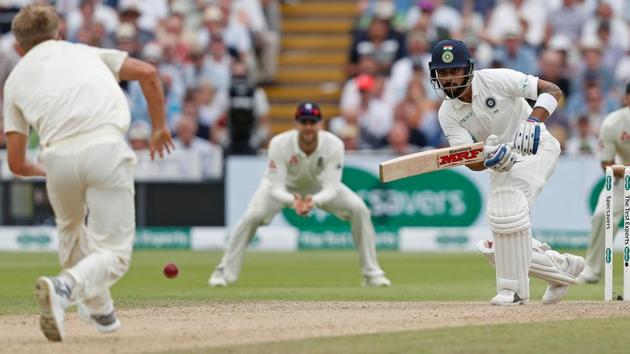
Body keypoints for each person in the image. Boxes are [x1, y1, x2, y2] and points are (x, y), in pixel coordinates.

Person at [3, 5, 173, 341]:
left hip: (56, 157)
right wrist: (158, 127)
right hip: (105, 147)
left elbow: (16, 163)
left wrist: (47, 172)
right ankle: (64, 286)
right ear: (59, 33)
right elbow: (149, 73)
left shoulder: (14, 81)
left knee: (70, 231)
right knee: (115, 253)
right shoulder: (85, 52)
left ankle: (101, 312)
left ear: (18, 48)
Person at [429, 39, 585, 305]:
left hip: (536, 148)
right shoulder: (447, 113)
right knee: (497, 245)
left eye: (454, 71)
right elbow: (470, 160)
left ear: (468, 68)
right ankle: (561, 267)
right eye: (443, 73)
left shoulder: (495, 79)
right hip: (501, 163)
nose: (449, 79)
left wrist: (533, 120)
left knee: (509, 213)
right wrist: (488, 158)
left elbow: (552, 90)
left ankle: (513, 292)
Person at [209, 102, 391, 287]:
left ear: (320, 124)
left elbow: (331, 187)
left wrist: (313, 201)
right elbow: (275, 186)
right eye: (304, 122)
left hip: (318, 188)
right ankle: (223, 272)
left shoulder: (334, 145)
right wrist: (292, 201)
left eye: (313, 122)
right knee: (252, 217)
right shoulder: (279, 144)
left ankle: (372, 273)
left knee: (359, 209)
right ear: (296, 123)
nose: (308, 127)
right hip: (283, 188)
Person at [576, 83, 630, 284]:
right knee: (601, 215)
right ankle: (592, 269)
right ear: (626, 99)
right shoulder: (613, 123)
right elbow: (606, 165)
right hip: (624, 178)